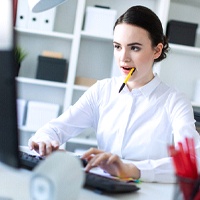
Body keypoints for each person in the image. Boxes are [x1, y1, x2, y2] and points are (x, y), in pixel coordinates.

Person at [28, 5, 200, 183]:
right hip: (104, 188)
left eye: (134, 48)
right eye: (118, 46)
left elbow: (193, 162)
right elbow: (55, 129)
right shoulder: (102, 90)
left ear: (156, 50)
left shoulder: (175, 101)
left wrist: (132, 169)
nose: (123, 57)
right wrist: (45, 142)